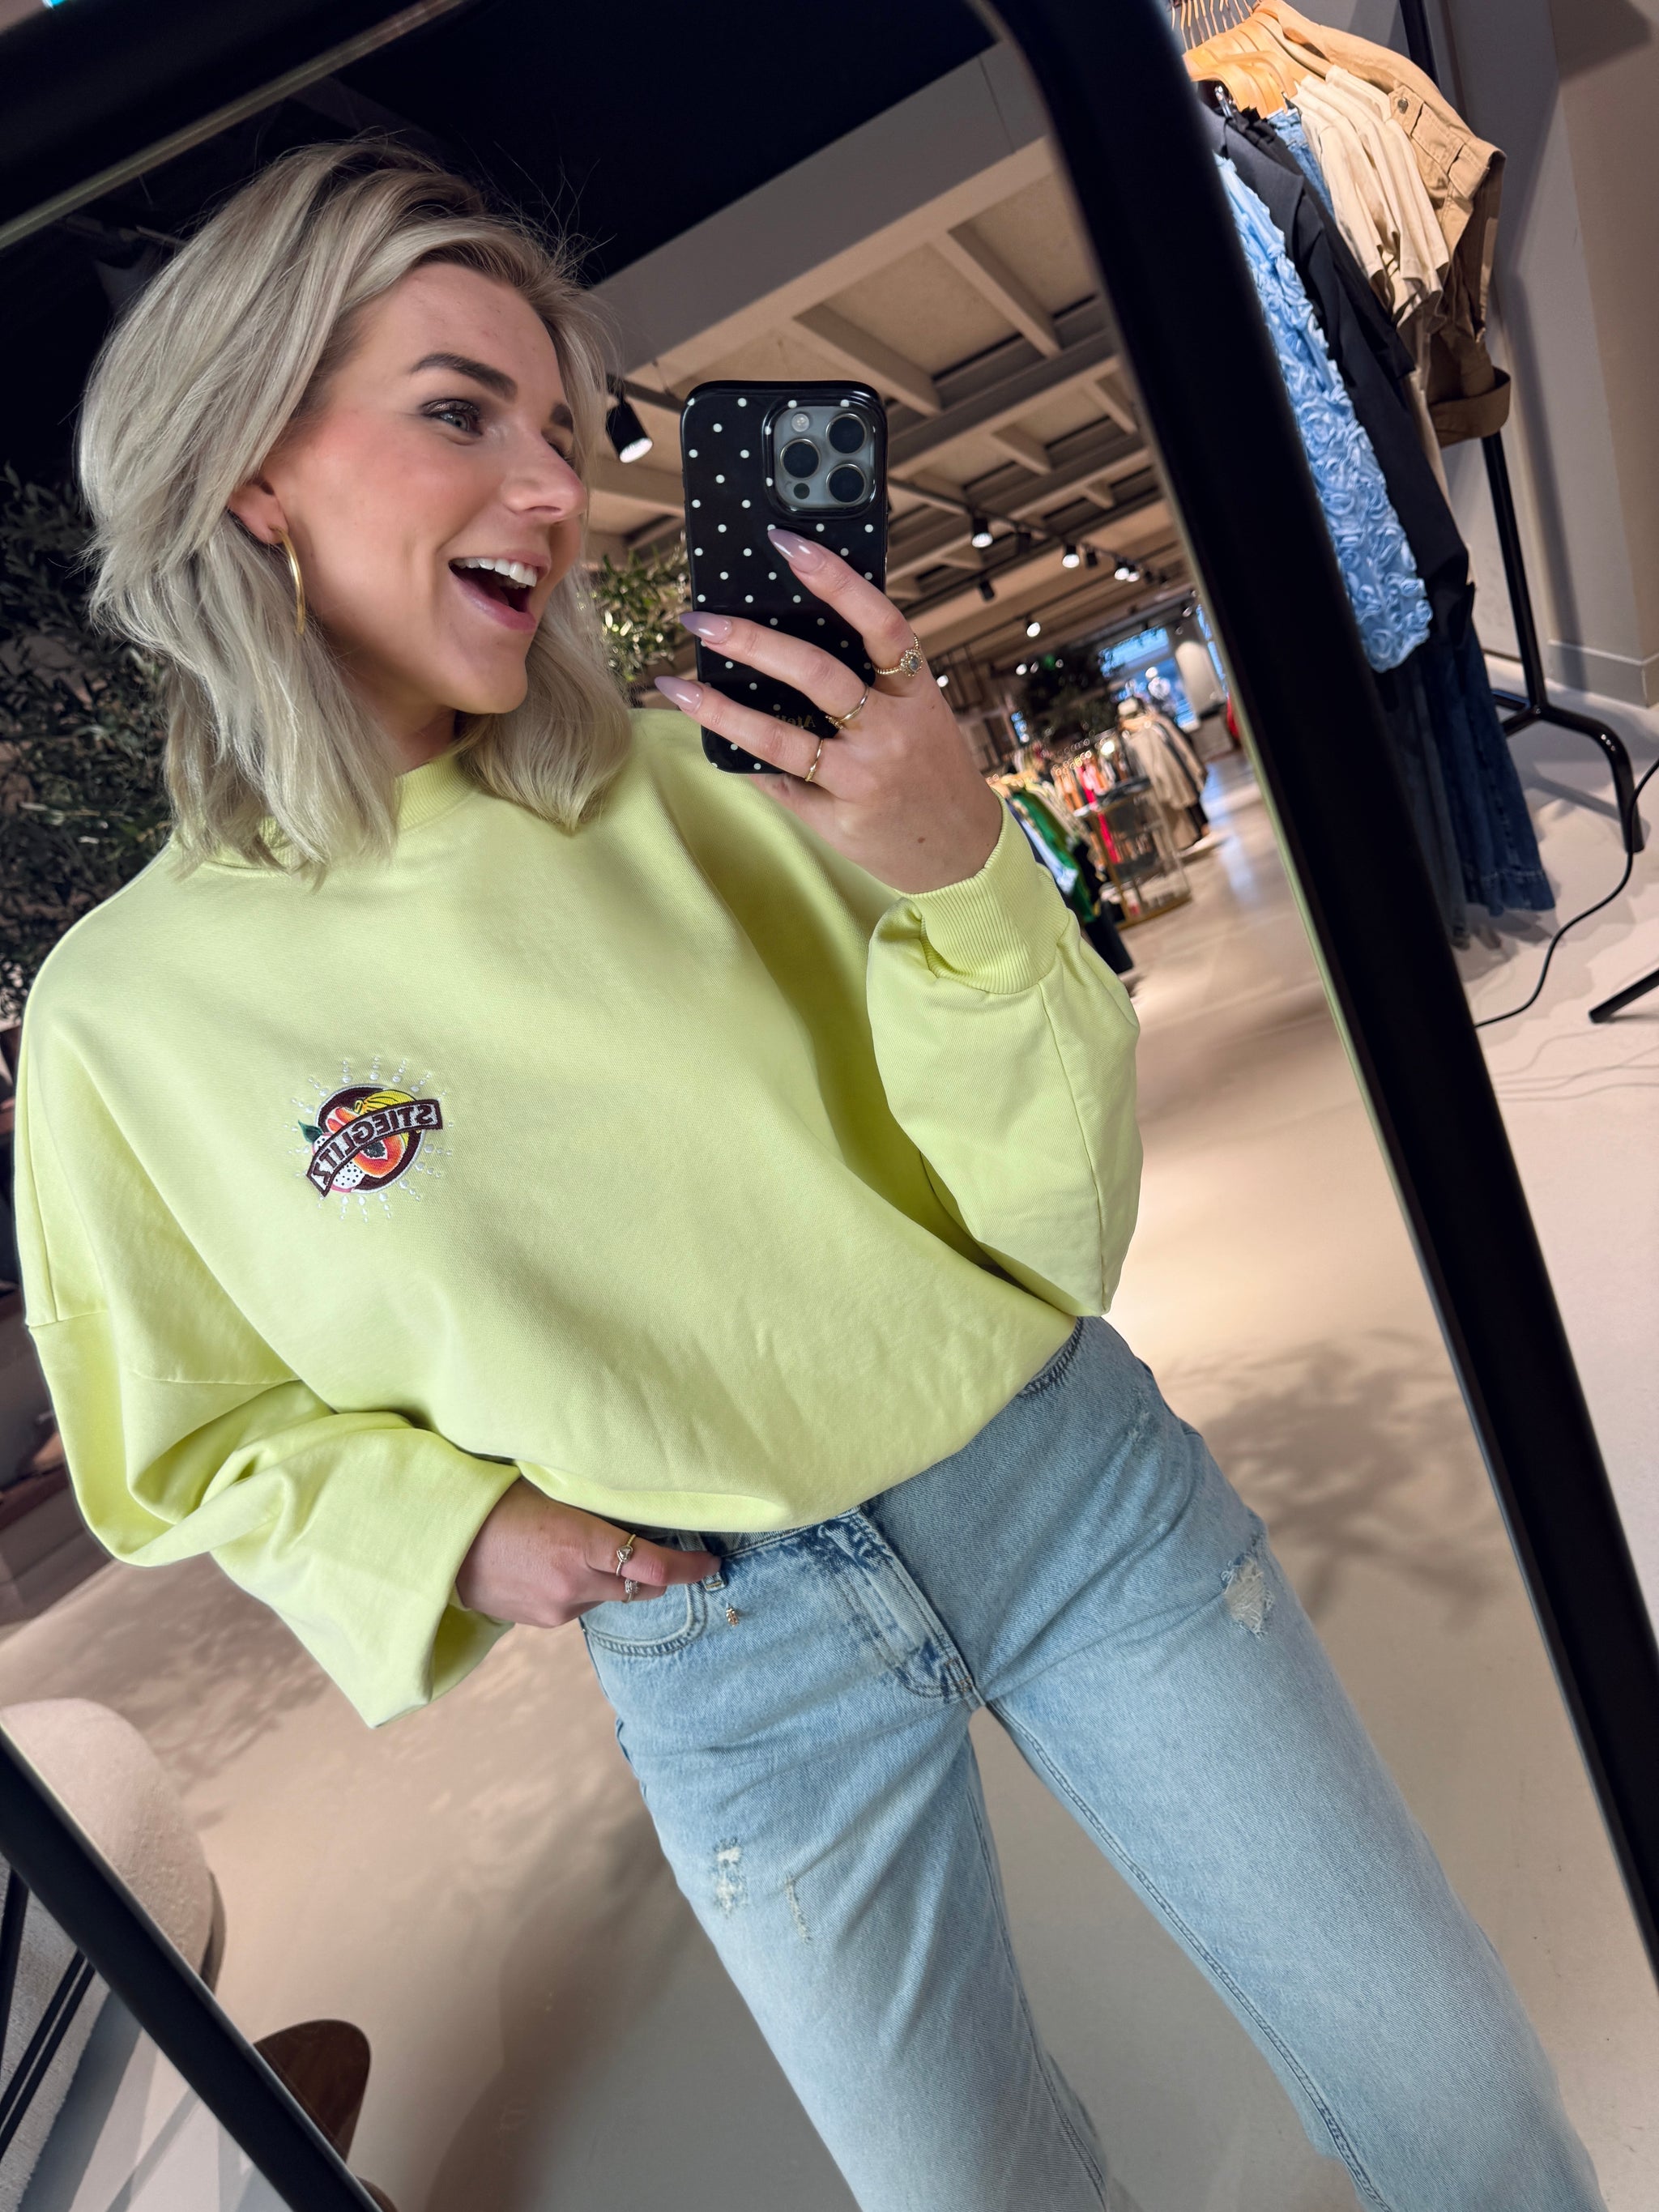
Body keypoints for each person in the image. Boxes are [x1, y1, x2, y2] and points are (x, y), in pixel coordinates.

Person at [12, 143, 1602, 2212]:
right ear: (248, 469)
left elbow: (1050, 1224)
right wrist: (447, 1532)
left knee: (1457, 2096)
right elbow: (189, 1433)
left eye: (565, 432)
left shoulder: (718, 777)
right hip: (723, 1646)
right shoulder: (131, 1010)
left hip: (1056, 1485)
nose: (554, 489)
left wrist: (963, 874)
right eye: (461, 412)